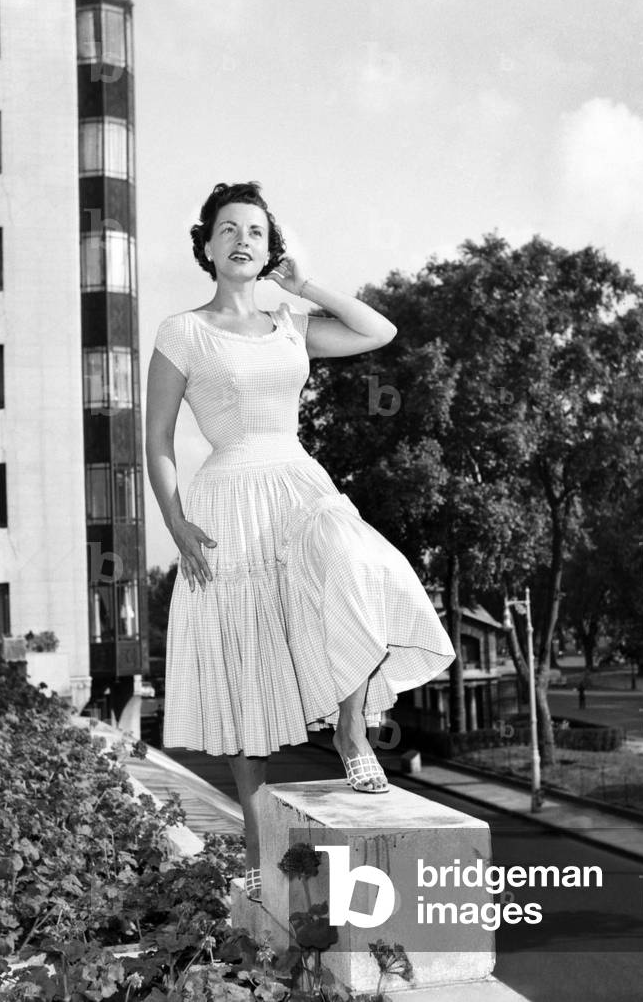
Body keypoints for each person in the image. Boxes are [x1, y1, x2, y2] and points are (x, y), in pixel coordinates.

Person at [145, 182, 455, 902]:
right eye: (227, 229)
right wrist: (177, 521)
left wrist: (305, 284)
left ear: (269, 245)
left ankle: (351, 731)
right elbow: (157, 439)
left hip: (298, 485)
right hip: (226, 499)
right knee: (247, 673)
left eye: (255, 229)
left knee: (354, 560)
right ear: (206, 245)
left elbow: (378, 331)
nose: (242, 240)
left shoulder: (290, 321)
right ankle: (257, 856)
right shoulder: (181, 331)